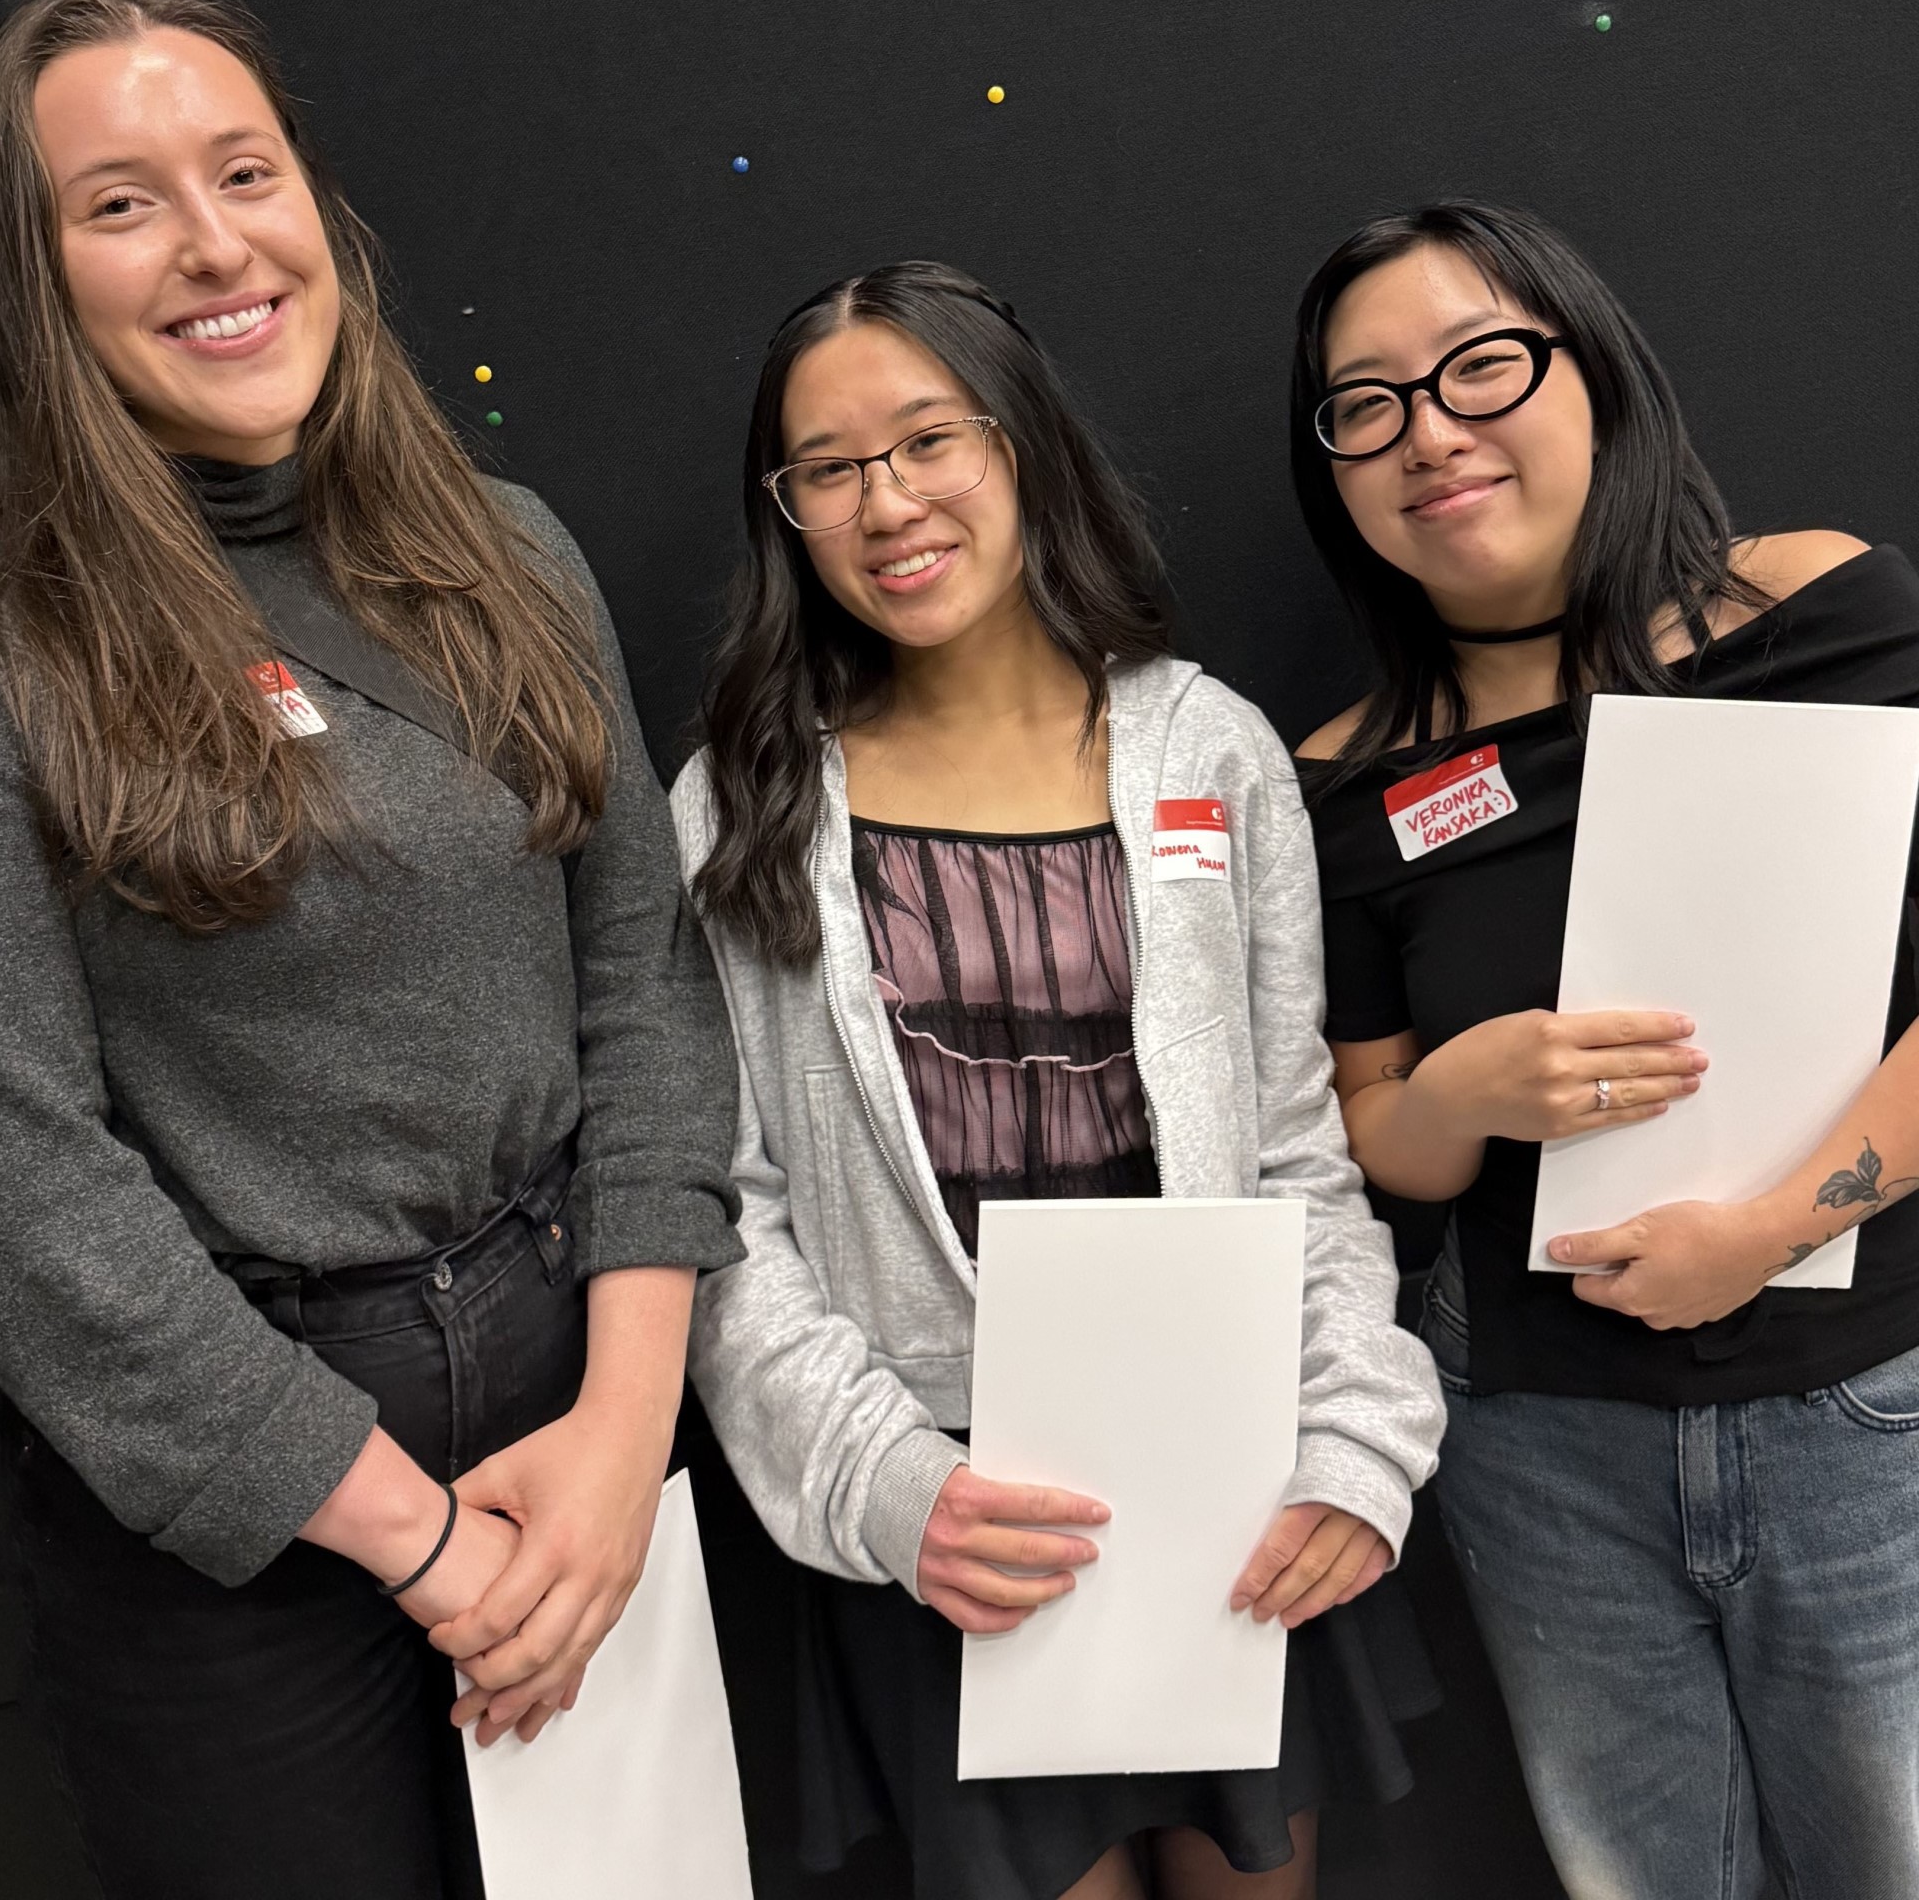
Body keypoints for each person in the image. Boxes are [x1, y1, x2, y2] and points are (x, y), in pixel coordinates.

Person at [0, 0, 741, 1899]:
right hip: (236, 1525)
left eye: (244, 171)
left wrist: (625, 1439)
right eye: (118, 204)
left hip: (580, 1408)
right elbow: (12, 1193)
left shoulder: (507, 549)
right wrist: (424, 1548)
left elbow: (648, 990)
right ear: (32, 281)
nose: (214, 244)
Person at [672, 259, 1444, 1900]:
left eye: (928, 438)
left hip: (1221, 1480)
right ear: (788, 512)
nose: (888, 501)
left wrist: (1356, 1440)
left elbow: (1300, 1150)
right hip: (949, 1521)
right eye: (829, 466)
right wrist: (895, 1486)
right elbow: (725, 1216)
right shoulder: (741, 802)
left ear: (1020, 444)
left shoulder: (1210, 751)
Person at [1290, 199, 1919, 1900]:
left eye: (1479, 365)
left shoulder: (1830, 613)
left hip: (1860, 1402)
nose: (1430, 431)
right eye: (1367, 406)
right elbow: (1370, 1137)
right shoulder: (1344, 776)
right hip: (1539, 1447)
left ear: (1593, 369)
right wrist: (1453, 1095)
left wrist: (1778, 1229)